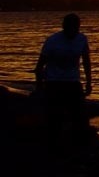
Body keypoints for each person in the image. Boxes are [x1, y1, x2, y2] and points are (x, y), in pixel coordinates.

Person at [34, 13, 93, 145]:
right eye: (71, 27)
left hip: (73, 82)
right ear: (64, 26)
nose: (74, 30)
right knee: (55, 117)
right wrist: (39, 87)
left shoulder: (82, 39)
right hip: (54, 82)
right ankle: (53, 145)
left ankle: (78, 144)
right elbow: (39, 66)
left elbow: (86, 62)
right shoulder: (52, 41)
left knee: (80, 116)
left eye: (76, 27)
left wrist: (89, 82)